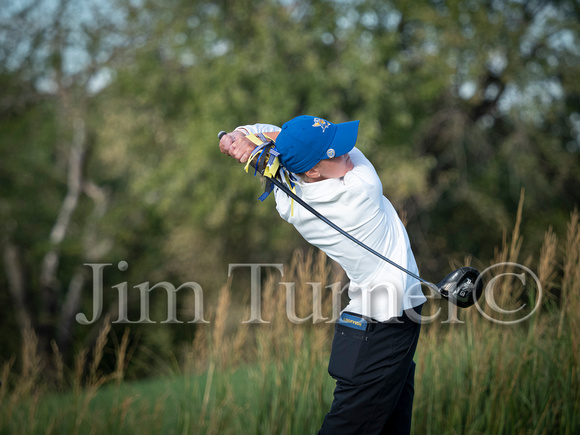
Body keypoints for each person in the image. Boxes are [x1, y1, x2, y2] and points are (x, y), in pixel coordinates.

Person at [219, 115, 427, 434]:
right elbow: (277, 138)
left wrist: (240, 136)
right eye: (335, 153)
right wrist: (251, 143)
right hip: (389, 323)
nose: (346, 152)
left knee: (391, 425)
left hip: (368, 322)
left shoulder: (287, 200)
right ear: (314, 170)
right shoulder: (363, 187)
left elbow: (281, 145)